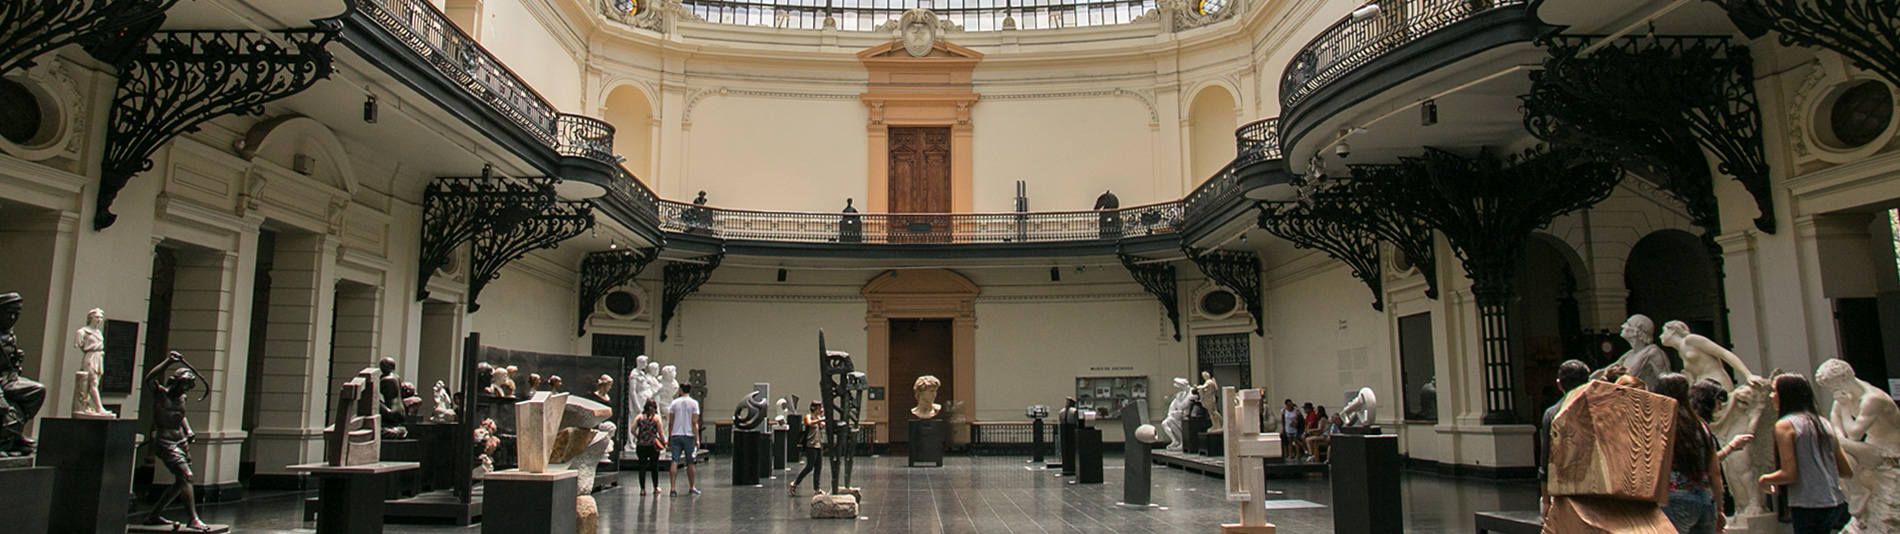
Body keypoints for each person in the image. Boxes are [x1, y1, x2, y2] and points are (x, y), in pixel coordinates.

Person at [1759, 374, 1854, 534]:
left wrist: (1765, 479)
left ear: (1787, 394)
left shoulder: (1785, 425)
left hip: (1808, 503)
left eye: (1775, 391)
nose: (1771, 395)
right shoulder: (1824, 423)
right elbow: (1846, 470)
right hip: (1835, 502)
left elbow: (1789, 474)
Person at [143, 351, 209, 531]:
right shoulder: (161, 394)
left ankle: (154, 515)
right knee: (186, 476)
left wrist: (188, 430)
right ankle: (193, 519)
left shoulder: (182, 398)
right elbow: (149, 378)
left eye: (188, 387)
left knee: (181, 480)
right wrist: (167, 362)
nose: (185, 390)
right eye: (183, 385)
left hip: (181, 441)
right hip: (165, 442)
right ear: (176, 381)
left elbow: (180, 416)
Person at [1652, 373, 1725, 534]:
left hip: (1672, 499)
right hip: (1705, 500)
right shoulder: (1702, 426)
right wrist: (1719, 508)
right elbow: (1715, 472)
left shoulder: (1660, 425)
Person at [1538, 360, 1590, 513]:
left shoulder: (1552, 414)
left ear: (1559, 384)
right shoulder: (1600, 410)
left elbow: (1546, 461)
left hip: (1564, 488)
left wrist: (1546, 501)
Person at [667, 384, 702, 496]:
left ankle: (672, 488)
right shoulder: (694, 403)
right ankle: (691, 486)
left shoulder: (674, 403)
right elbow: (694, 422)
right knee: (690, 462)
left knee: (675, 460)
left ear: (681, 390)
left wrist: (669, 436)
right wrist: (697, 438)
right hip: (688, 435)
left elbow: (671, 421)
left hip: (676, 434)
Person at [790, 401, 825, 496]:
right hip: (811, 445)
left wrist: (820, 418)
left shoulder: (819, 418)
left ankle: (817, 488)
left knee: (818, 468)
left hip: (819, 445)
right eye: (818, 408)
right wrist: (819, 420)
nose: (820, 409)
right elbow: (809, 423)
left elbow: (823, 426)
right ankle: (795, 483)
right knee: (810, 466)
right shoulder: (808, 416)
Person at [632, 400, 665, 496]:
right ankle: (655, 487)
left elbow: (632, 429)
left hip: (641, 445)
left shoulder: (639, 417)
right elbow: (660, 432)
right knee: (654, 466)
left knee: (642, 466)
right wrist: (664, 442)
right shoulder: (656, 418)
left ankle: (642, 489)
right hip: (652, 446)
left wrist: (638, 436)